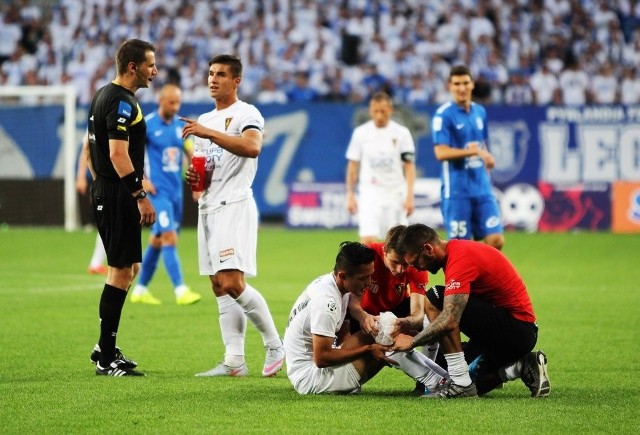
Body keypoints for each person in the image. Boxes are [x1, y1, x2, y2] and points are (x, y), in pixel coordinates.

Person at [181, 54, 285, 378]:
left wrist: (208, 134)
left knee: (233, 282)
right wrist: (196, 179)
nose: (213, 79)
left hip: (235, 205)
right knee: (217, 284)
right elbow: (205, 168)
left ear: (236, 80)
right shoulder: (204, 119)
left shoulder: (246, 113)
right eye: (210, 73)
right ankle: (234, 361)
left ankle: (275, 344)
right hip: (209, 207)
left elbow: (252, 147)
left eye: (221, 74)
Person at [393, 224, 550, 399]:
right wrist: (409, 323)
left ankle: (461, 385)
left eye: (415, 262)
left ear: (428, 249)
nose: (417, 268)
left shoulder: (460, 258)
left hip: (517, 329)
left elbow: (450, 320)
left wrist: (412, 342)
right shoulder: (456, 254)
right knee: (441, 381)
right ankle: (521, 366)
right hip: (503, 331)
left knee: (435, 296)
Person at [85, 38, 157, 376]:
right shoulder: (124, 102)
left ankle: (105, 346)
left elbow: (90, 149)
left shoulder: (102, 95)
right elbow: (117, 153)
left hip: (107, 189)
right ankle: (106, 356)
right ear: (133, 67)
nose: (154, 71)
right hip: (118, 193)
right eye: (150, 65)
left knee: (129, 269)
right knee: (120, 272)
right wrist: (138, 195)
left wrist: (99, 183)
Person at [347, 225, 449, 395]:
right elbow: (351, 302)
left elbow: (417, 312)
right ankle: (438, 380)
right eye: (395, 262)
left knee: (432, 323)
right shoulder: (367, 257)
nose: (400, 270)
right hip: (362, 314)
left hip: (397, 309)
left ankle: (424, 384)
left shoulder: (415, 265)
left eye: (405, 264)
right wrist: (365, 317)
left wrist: (406, 323)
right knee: (382, 334)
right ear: (384, 250)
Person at [130, 84, 201, 306]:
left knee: (158, 240)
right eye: (172, 102)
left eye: (178, 102)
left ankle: (140, 290)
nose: (176, 106)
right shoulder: (148, 125)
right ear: (161, 101)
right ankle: (181, 290)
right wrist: (141, 179)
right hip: (157, 194)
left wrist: (197, 185)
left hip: (175, 194)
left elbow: (191, 153)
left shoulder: (181, 127)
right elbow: (131, 153)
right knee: (169, 237)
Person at [431, 64, 504, 250]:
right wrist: (474, 152)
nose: (461, 88)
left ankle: (485, 280)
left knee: (496, 241)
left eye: (465, 83)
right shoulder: (443, 115)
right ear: (450, 86)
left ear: (472, 84)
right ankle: (460, 280)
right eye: (456, 84)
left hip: (482, 187)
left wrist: (487, 156)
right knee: (460, 248)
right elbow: (441, 152)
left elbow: (480, 142)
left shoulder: (480, 111)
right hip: (456, 191)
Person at [345, 91, 416, 244]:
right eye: (375, 111)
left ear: (390, 110)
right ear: (370, 110)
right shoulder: (361, 133)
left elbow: (409, 166)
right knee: (368, 240)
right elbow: (353, 165)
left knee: (398, 243)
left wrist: (410, 196)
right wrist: (350, 194)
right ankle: (371, 269)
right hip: (370, 192)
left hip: (395, 191)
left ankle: (393, 269)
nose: (379, 115)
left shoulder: (402, 133)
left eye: (383, 111)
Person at [75, 134, 107, 275]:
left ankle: (96, 263)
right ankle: (98, 263)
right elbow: (86, 148)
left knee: (109, 223)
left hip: (106, 179)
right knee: (109, 222)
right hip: (105, 180)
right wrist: (81, 176)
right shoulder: (97, 119)